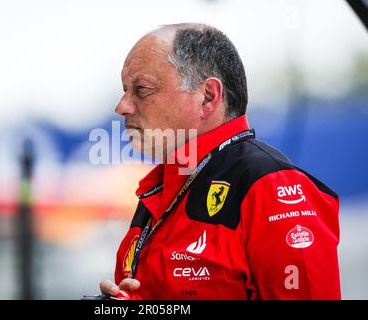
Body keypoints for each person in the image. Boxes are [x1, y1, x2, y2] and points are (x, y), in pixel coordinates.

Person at [99, 23, 341, 299]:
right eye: (125, 90)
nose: (122, 106)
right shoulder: (160, 189)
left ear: (208, 97)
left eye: (141, 89)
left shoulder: (270, 186)